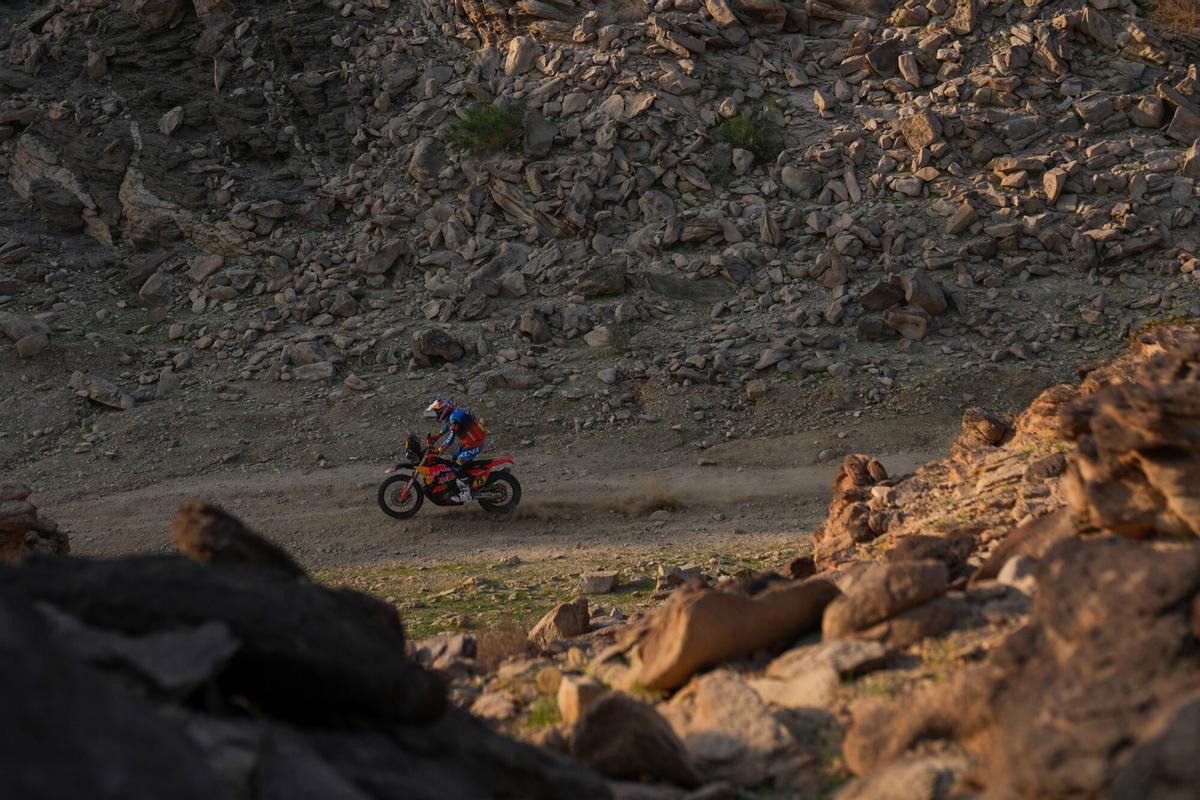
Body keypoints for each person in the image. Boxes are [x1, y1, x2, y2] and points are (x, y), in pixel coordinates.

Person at [424, 397, 487, 502]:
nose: (437, 414)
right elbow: (448, 426)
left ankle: (466, 493)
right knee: (453, 461)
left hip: (475, 445)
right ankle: (461, 484)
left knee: (457, 466)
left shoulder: (454, 417)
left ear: (444, 410)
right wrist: (436, 436)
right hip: (469, 443)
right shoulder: (455, 414)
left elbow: (451, 438)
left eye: (437, 411)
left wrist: (438, 450)